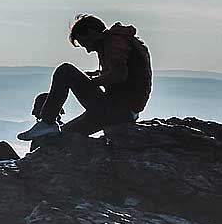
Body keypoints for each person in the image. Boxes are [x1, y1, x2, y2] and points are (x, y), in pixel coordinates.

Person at [16, 14, 152, 142]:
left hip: (116, 110)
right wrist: (95, 76)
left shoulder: (114, 43)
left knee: (65, 71)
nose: (87, 50)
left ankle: (47, 122)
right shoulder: (117, 41)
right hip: (122, 112)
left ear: (92, 33)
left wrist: (92, 82)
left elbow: (119, 75)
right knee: (63, 135)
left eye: (85, 42)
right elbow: (122, 74)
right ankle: (49, 131)